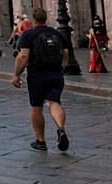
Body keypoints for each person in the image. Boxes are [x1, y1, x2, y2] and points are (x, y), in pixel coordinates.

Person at [11, 8, 70, 152]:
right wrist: (62, 66)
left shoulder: (28, 34)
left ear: (34, 20)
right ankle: (61, 129)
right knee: (54, 102)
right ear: (45, 19)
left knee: (37, 107)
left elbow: (23, 56)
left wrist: (16, 74)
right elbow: (65, 51)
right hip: (56, 73)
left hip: (37, 74)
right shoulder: (57, 33)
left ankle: (41, 141)